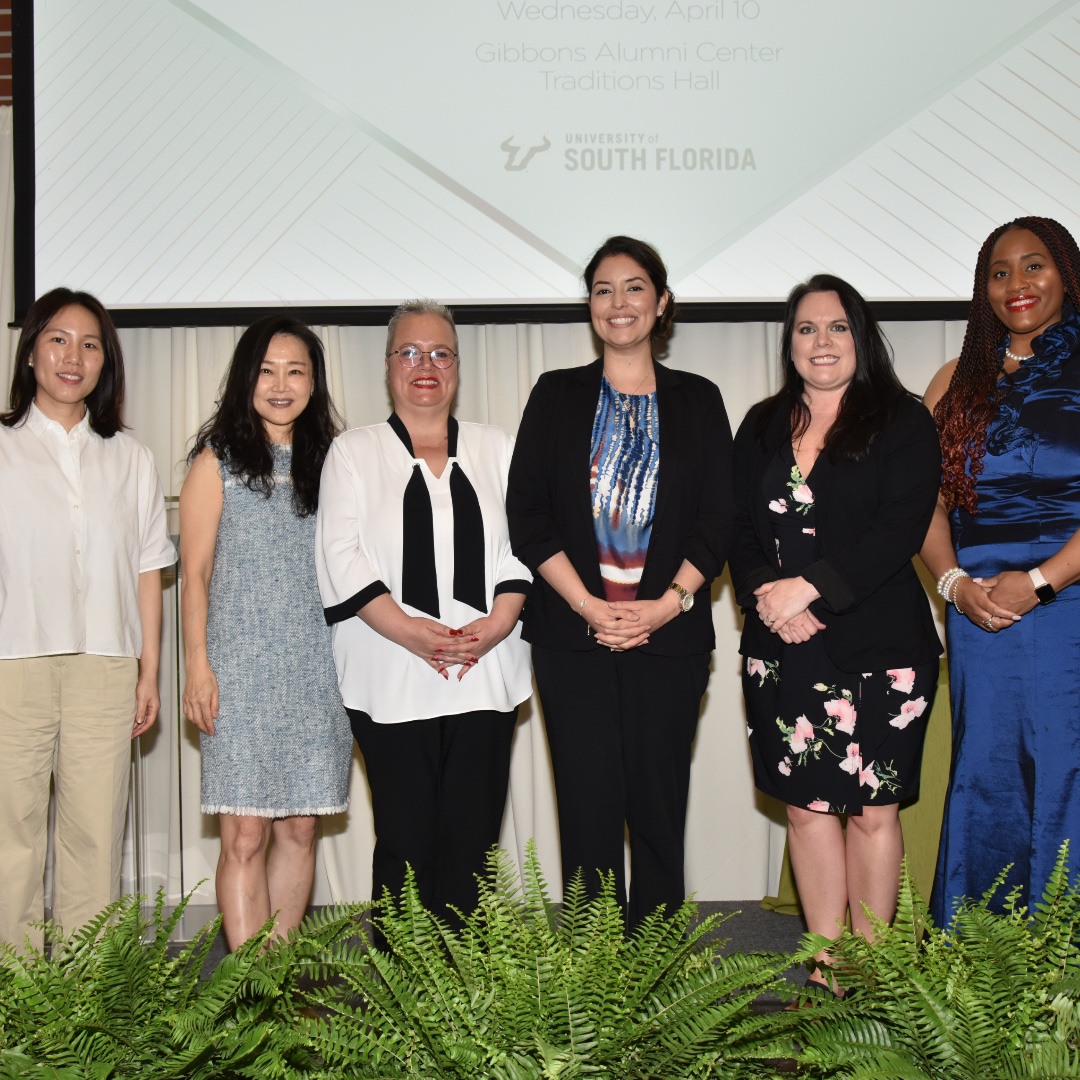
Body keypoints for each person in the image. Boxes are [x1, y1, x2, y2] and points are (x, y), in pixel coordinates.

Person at [506, 235, 733, 929]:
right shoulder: (556, 395)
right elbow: (528, 516)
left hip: (670, 641)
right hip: (574, 642)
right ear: (590, 308)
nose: (618, 303)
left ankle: (657, 969)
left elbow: (719, 520)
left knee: (659, 814)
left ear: (661, 303)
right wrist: (587, 607)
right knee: (588, 812)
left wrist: (666, 607)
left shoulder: (698, 400)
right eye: (603, 290)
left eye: (634, 287)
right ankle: (591, 979)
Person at [731, 274, 941, 992]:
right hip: (779, 647)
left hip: (882, 649)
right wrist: (771, 597)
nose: (822, 342)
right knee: (806, 809)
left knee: (874, 813)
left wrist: (809, 588)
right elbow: (736, 529)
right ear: (789, 343)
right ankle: (824, 969)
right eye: (806, 329)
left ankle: (872, 974)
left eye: (837, 327)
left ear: (862, 337)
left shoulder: (904, 420)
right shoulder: (759, 424)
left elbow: (898, 531)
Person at [316, 299, 532, 927]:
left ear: (458, 366)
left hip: (484, 672)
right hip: (390, 674)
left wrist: (496, 625)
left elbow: (528, 542)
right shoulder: (353, 453)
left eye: (441, 353)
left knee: (472, 850)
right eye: (409, 352)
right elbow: (341, 554)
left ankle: (468, 1005)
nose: (425, 366)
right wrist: (412, 633)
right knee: (406, 847)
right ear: (388, 367)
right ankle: (402, 1002)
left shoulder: (498, 447)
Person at [0, 288, 175, 951]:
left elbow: (147, 570)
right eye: (59, 340)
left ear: (106, 362)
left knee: (95, 839)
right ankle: (14, 1010)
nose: (74, 357)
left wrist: (149, 672)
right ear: (32, 352)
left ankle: (86, 1010)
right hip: (13, 662)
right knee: (11, 838)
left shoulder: (129, 458)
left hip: (107, 664)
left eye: (91, 344)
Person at [922, 216, 1080, 925]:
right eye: (1000, 271)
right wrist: (953, 583)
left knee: (1069, 775)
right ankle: (978, 979)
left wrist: (1043, 580)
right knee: (988, 779)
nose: (1017, 284)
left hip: (1070, 603)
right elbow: (921, 501)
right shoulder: (956, 378)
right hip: (981, 615)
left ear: (1067, 274)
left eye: (1035, 265)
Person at [180, 315, 352, 950]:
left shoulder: (337, 462)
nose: (281, 384)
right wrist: (197, 668)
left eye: (296, 370)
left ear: (314, 381)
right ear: (245, 378)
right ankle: (250, 993)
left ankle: (278, 984)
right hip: (239, 668)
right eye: (266, 370)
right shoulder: (216, 461)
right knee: (245, 835)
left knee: (302, 830)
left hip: (317, 668)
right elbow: (193, 575)